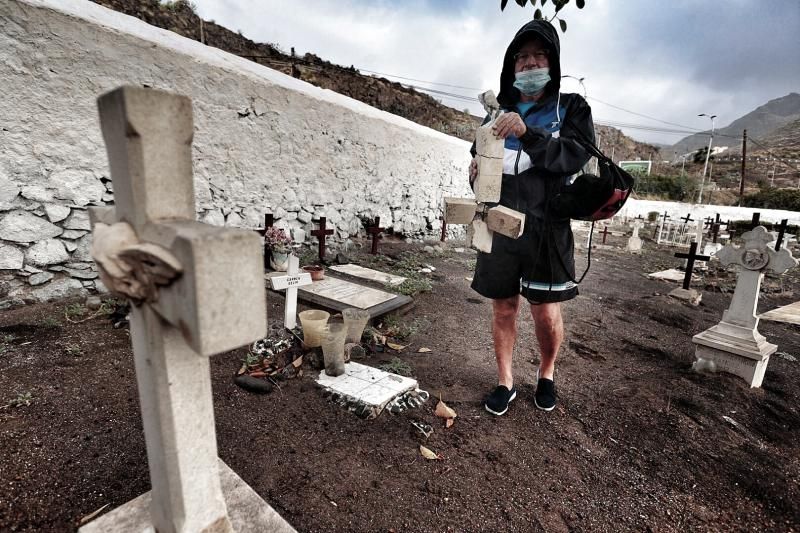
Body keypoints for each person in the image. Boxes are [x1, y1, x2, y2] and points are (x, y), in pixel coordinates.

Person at [469, 19, 595, 415]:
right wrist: (474, 173)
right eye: (522, 57)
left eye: (539, 55)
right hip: (500, 221)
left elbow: (573, 155)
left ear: (553, 62)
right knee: (504, 306)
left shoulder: (571, 107)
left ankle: (546, 372)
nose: (530, 63)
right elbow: (481, 157)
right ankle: (505, 381)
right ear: (511, 65)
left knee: (545, 309)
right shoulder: (496, 112)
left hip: (547, 225)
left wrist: (527, 133)